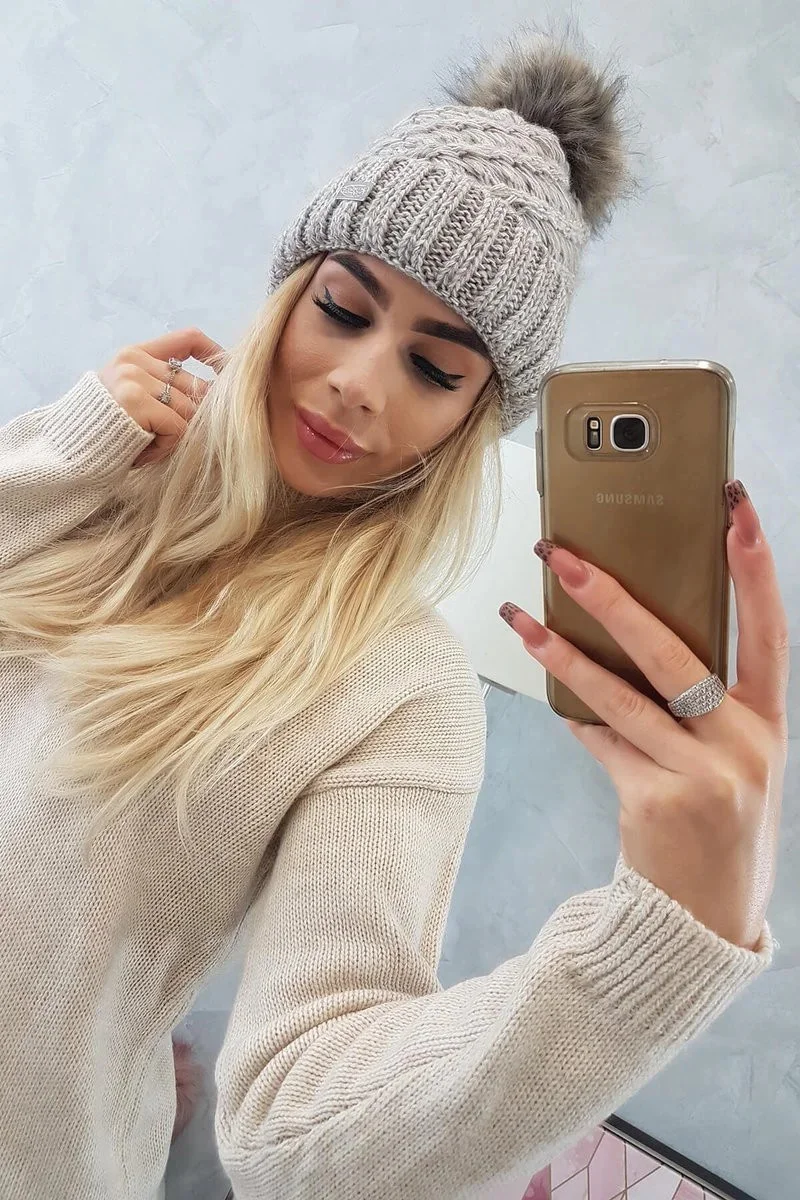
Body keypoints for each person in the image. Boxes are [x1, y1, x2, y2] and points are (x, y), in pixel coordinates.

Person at [0, 24, 788, 1200]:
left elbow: (293, 1137)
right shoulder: (89, 473)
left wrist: (658, 937)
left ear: (471, 421)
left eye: (434, 368)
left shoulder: (397, 691)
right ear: (287, 296)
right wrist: (58, 454)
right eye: (342, 307)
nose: (359, 384)